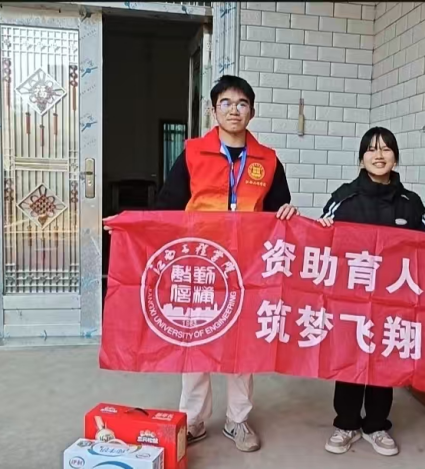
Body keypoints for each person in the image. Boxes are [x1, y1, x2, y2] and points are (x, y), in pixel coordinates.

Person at [105, 75, 298, 453]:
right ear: (213, 110)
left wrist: (288, 212)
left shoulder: (269, 160)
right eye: (226, 103)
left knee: (243, 346)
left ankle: (237, 419)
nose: (234, 110)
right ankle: (192, 419)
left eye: (242, 104)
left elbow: (279, 211)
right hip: (198, 264)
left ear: (252, 112)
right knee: (194, 343)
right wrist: (131, 226)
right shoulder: (193, 154)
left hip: (247, 269)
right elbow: (167, 208)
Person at [317, 127, 425, 457]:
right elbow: (320, 237)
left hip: (393, 300)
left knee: (384, 359)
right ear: (361, 158)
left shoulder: (410, 203)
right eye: (371, 149)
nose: (379, 155)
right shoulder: (344, 198)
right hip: (352, 298)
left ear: (395, 157)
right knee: (351, 358)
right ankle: (346, 424)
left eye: (386, 149)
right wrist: (323, 229)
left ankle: (377, 425)